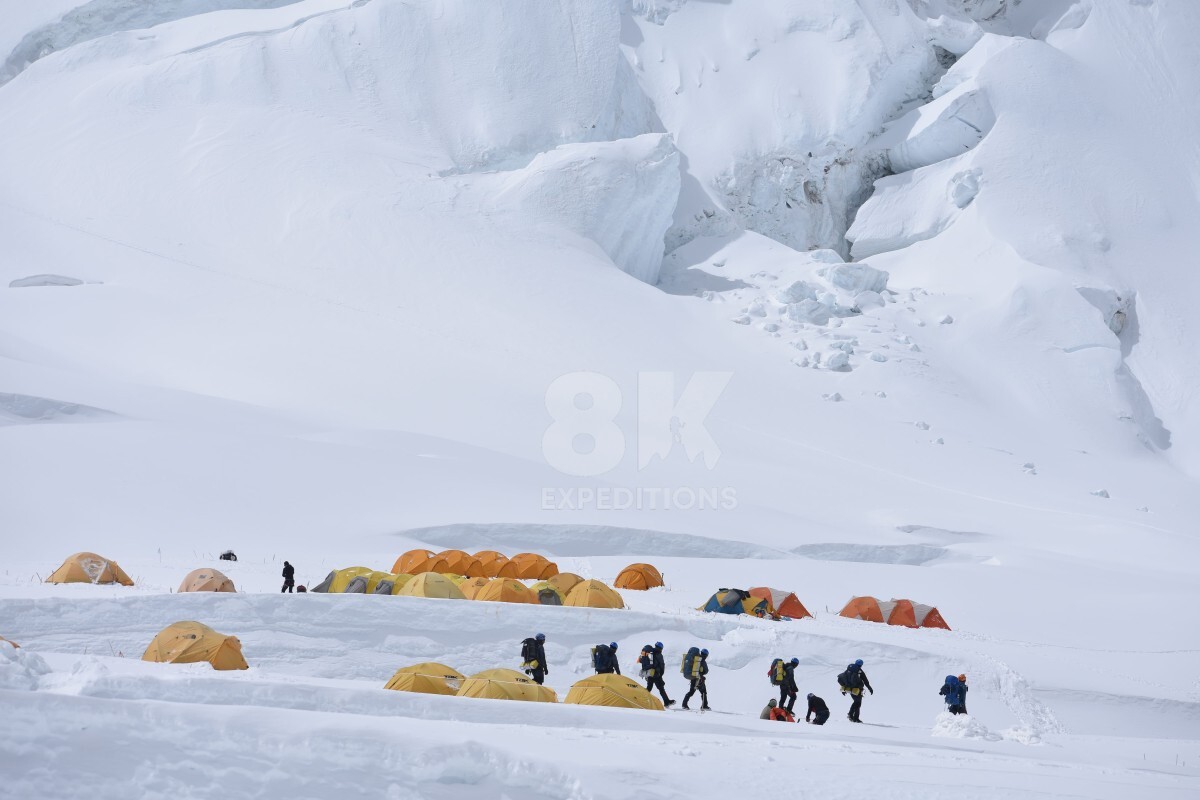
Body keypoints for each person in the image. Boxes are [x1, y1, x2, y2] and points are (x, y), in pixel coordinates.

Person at [644, 641, 675, 706]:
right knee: (661, 688)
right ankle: (667, 702)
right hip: (656, 674)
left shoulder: (651, 653)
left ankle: (643, 700)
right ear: (661, 648)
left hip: (650, 673)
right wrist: (661, 674)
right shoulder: (659, 654)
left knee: (649, 688)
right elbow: (662, 665)